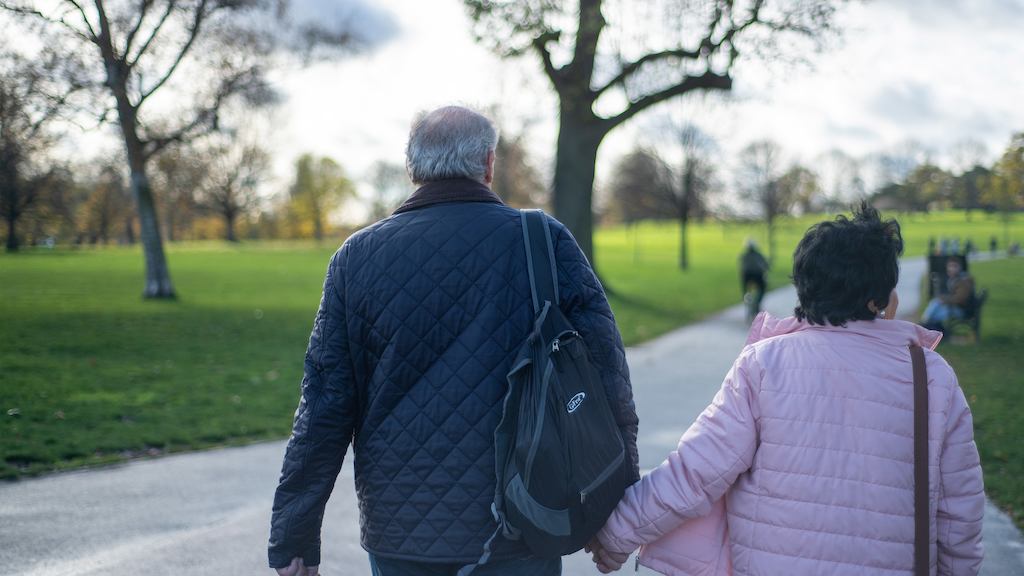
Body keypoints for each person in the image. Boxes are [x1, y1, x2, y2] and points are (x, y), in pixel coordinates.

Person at [268, 106, 640, 576]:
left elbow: (324, 404)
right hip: (526, 515)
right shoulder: (542, 240)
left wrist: (294, 532)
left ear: (412, 167)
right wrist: (619, 508)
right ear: (488, 163)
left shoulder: (355, 258)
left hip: (400, 530)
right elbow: (606, 375)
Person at [589, 204, 984, 575]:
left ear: (804, 287)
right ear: (880, 295)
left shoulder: (765, 365)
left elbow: (694, 472)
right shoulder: (930, 375)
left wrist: (614, 534)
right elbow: (959, 513)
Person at [921, 258, 975, 331]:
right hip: (957, 308)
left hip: (962, 311)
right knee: (936, 303)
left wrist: (944, 300)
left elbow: (959, 299)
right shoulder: (957, 279)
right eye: (950, 266)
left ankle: (924, 324)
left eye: (955, 266)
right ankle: (925, 324)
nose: (952, 269)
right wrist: (943, 298)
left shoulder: (963, 281)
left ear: (960, 267)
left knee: (934, 314)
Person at [738, 240, 769, 316]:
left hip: (747, 276)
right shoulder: (759, 255)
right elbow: (765, 265)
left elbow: (741, 268)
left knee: (745, 289)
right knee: (762, 288)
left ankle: (746, 299)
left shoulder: (743, 256)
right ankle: (757, 303)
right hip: (757, 275)